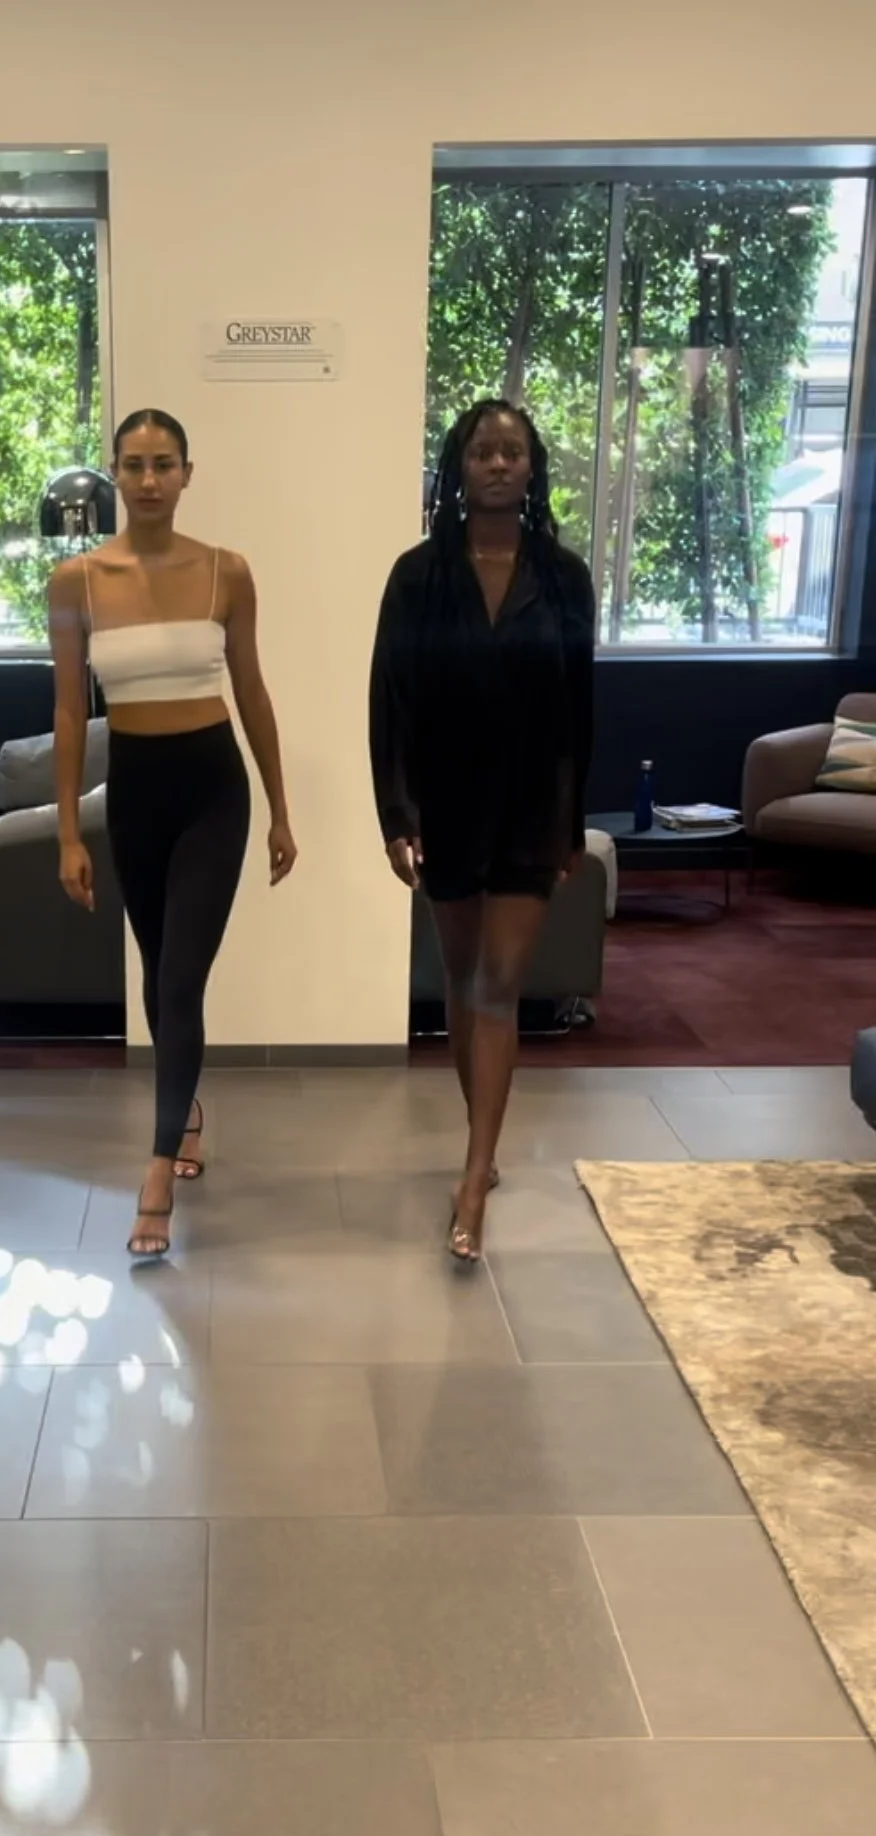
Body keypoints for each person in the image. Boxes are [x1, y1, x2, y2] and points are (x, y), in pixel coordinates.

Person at [50, 408, 297, 1259]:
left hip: (212, 792)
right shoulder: (77, 582)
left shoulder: (228, 571)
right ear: (115, 475)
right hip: (136, 794)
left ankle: (158, 1168)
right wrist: (67, 833)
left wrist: (280, 806)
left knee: (183, 976)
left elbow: (252, 690)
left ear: (188, 473)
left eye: (164, 464)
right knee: (158, 976)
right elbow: (68, 710)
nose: (149, 479)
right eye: (134, 464)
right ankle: (183, 1109)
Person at [369, 398, 596, 1265]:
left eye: (512, 451)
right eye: (482, 451)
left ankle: (473, 1175)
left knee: (500, 984)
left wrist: (573, 820)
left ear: (532, 467)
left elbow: (581, 707)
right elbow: (388, 701)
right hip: (446, 804)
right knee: (463, 983)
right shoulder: (417, 575)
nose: (498, 463)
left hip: (533, 805)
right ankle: (482, 1141)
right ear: (458, 467)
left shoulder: (564, 576)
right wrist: (396, 816)